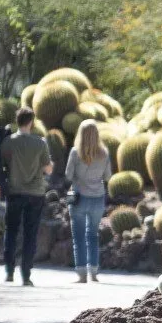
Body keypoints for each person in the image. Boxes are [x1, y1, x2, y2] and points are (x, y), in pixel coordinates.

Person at [0, 107, 51, 286]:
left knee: (11, 230)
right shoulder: (40, 143)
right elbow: (47, 168)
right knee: (30, 234)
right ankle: (26, 275)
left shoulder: (8, 142)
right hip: (35, 193)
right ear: (31, 122)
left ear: (17, 121)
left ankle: (9, 271)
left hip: (14, 192)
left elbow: (2, 164)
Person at [65, 119, 111, 283]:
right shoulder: (104, 153)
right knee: (92, 235)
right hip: (98, 198)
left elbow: (68, 175)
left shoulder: (75, 153)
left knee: (78, 236)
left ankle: (82, 274)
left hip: (79, 198)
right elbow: (107, 176)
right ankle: (94, 271)